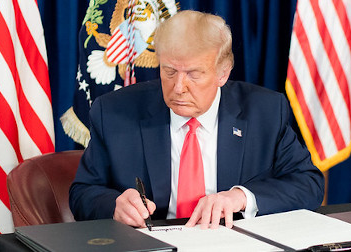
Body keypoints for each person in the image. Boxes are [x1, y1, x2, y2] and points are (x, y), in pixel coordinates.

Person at [69, 10, 324, 229]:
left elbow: (308, 184)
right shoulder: (114, 113)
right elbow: (83, 192)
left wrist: (241, 198)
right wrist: (115, 206)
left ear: (222, 74)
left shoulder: (265, 111)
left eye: (193, 74)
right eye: (169, 71)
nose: (178, 87)